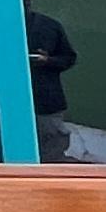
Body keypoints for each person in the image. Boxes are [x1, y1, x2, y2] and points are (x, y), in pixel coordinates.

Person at [25, 9, 78, 162]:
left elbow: (69, 58)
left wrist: (48, 61)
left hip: (45, 100)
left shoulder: (49, 26)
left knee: (51, 152)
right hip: (11, 102)